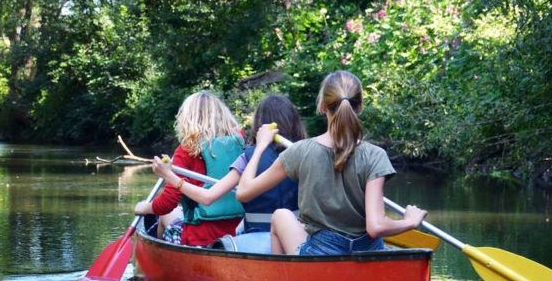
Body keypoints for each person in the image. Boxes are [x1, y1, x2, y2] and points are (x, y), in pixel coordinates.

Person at [236, 71, 427, 255]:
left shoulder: (300, 151)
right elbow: (375, 227)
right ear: (360, 106)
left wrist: (260, 146)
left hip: (320, 252)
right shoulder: (376, 155)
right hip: (366, 252)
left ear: (322, 106)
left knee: (281, 215)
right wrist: (409, 221)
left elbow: (244, 193)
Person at [149, 94, 307, 234]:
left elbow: (208, 197)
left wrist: (168, 175)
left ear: (259, 125)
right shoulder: (307, 155)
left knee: (167, 218)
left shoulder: (247, 157)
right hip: (296, 234)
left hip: (257, 235)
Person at [133, 91, 243, 246]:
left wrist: (146, 207)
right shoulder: (240, 144)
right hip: (236, 236)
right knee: (178, 211)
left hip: (199, 238)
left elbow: (167, 203)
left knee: (165, 216)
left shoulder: (186, 150)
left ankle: (160, 258)